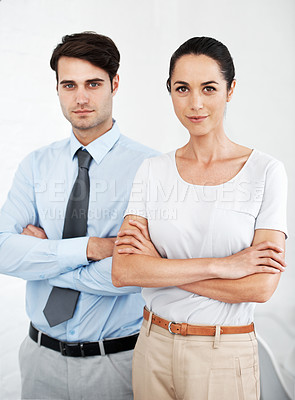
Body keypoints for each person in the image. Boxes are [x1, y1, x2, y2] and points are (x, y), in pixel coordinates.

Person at [112, 36, 288, 400]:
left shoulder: (266, 172)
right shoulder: (152, 171)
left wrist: (159, 267)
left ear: (230, 89)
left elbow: (259, 287)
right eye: (182, 88)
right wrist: (224, 266)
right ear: (170, 92)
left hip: (223, 352)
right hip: (152, 347)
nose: (195, 103)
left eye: (209, 88)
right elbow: (124, 271)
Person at [0, 32, 158, 400]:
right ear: (56, 88)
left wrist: (46, 256)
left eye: (93, 84)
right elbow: (3, 251)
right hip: (39, 360)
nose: (81, 98)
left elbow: (140, 274)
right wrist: (93, 248)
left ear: (114, 84)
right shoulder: (35, 165)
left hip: (116, 364)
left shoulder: (151, 168)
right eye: (69, 85)